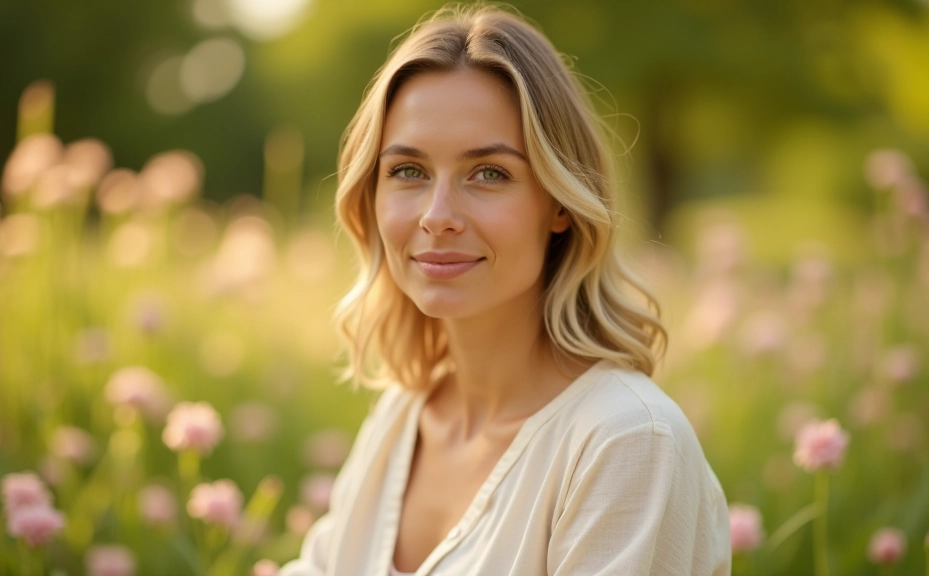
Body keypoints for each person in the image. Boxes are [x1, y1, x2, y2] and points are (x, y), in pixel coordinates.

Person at [279, 4, 731, 575]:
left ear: (560, 204)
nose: (437, 216)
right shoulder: (402, 416)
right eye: (408, 171)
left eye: (489, 173)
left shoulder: (628, 442)